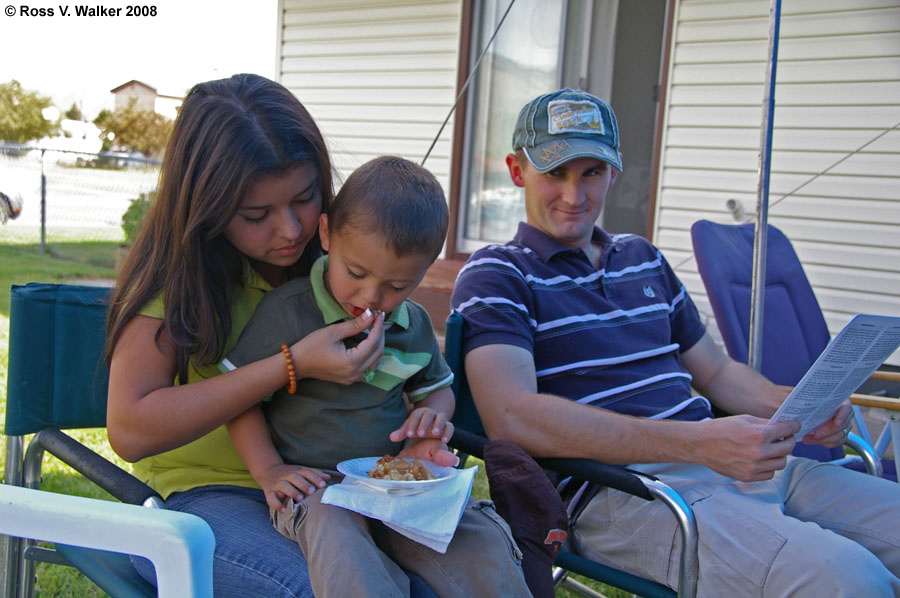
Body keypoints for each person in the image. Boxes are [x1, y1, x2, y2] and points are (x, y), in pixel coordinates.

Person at [450, 88, 900, 597]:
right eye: (555, 173)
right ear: (517, 171)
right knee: (848, 579)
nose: (575, 196)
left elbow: (716, 372)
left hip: (737, 464)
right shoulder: (498, 272)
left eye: (591, 172)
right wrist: (700, 443)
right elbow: (513, 417)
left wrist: (796, 407)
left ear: (613, 173)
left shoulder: (643, 258)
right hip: (631, 494)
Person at [106, 74, 436, 597]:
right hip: (204, 496)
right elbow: (129, 428)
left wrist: (421, 428)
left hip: (337, 490)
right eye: (255, 215)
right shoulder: (179, 281)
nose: (289, 230)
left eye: (304, 199)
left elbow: (415, 375)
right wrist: (293, 364)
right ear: (206, 207)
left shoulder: (341, 265)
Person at [221, 155, 532, 598]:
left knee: (477, 539)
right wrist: (270, 469)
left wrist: (429, 422)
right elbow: (242, 400)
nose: (371, 297)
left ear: (424, 272)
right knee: (339, 537)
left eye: (397, 285)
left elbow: (436, 390)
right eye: (356, 273)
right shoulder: (288, 313)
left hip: (393, 483)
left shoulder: (413, 325)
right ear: (326, 234)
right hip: (317, 488)